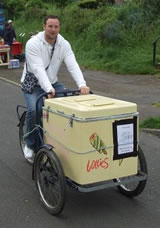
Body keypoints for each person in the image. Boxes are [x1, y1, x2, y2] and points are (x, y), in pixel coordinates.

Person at [21, 15, 90, 163]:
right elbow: (38, 69)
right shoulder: (33, 44)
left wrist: (82, 84)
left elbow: (72, 64)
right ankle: (30, 144)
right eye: (50, 26)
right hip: (33, 84)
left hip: (52, 82)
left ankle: (60, 142)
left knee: (67, 107)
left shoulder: (63, 43)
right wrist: (48, 88)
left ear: (59, 27)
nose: (53, 30)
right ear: (44, 26)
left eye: (56, 27)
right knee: (34, 110)